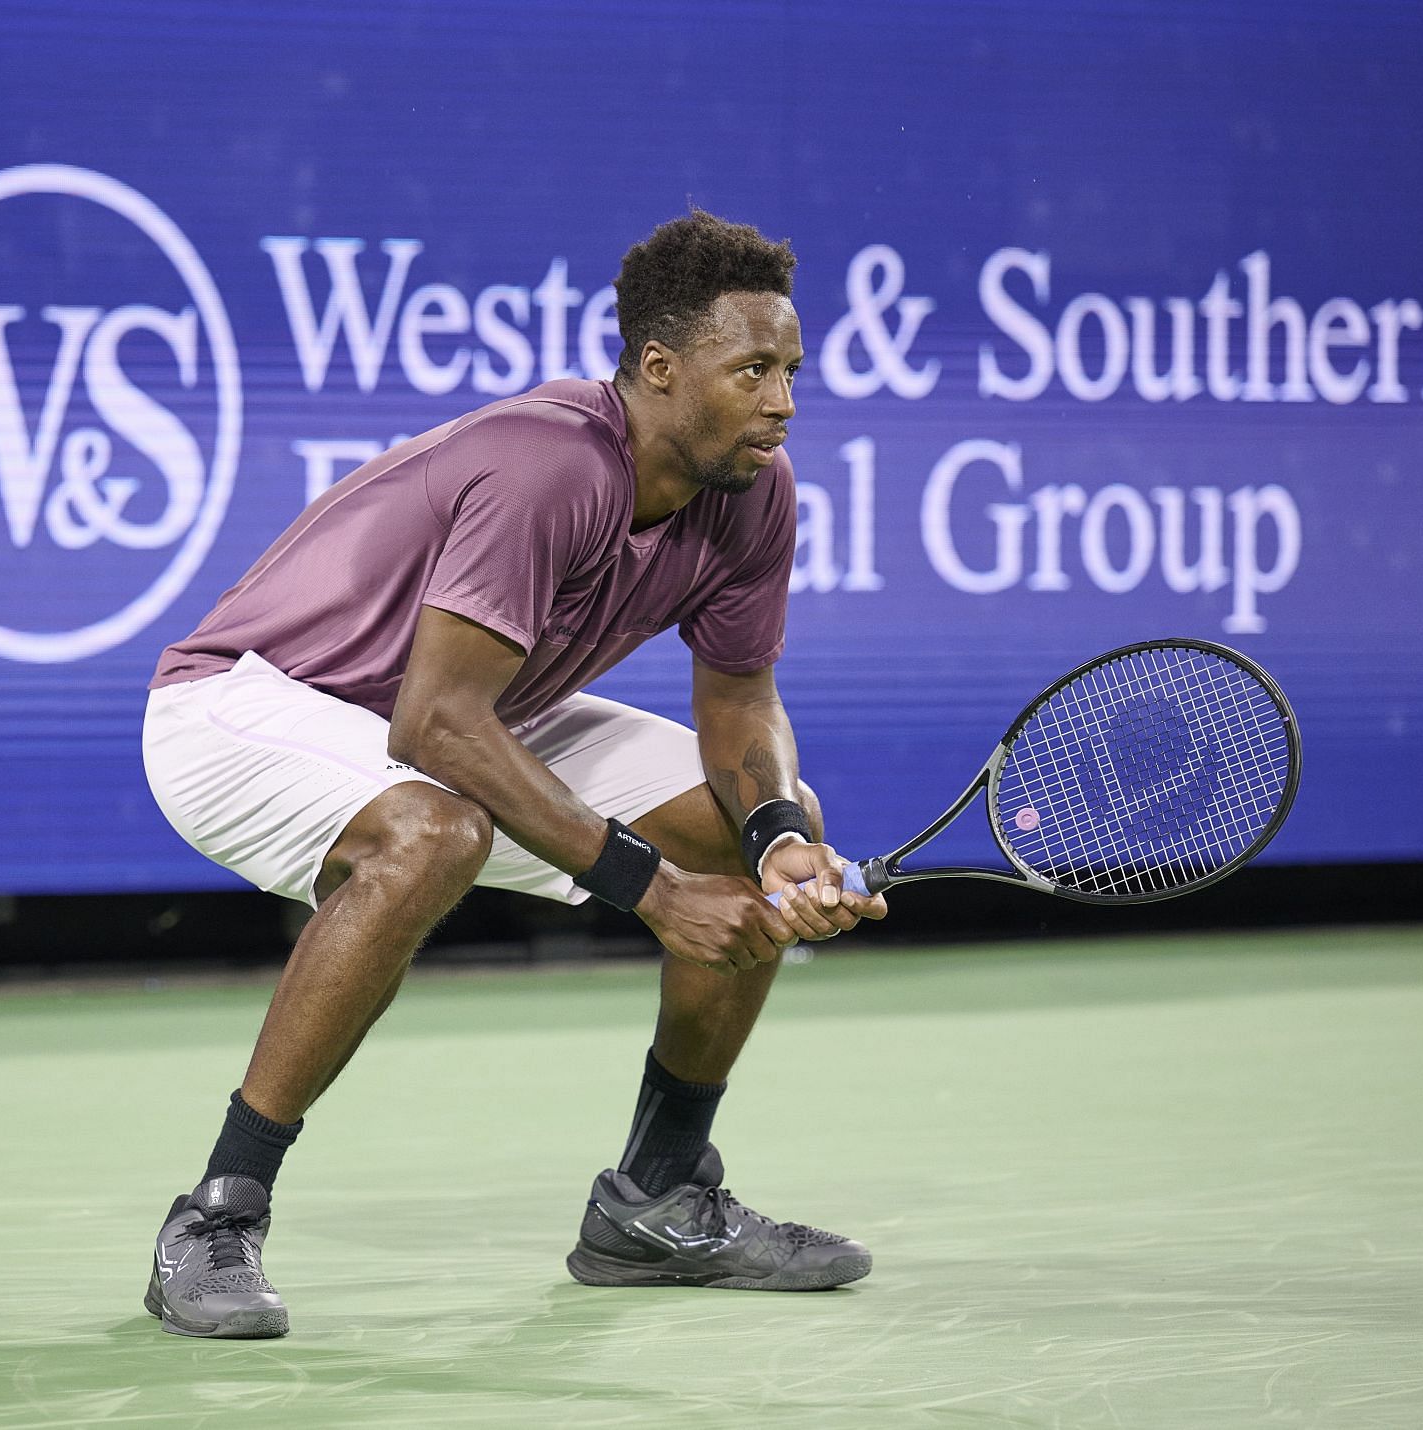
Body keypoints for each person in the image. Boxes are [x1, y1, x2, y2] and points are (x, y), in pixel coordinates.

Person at [137, 210, 888, 1339]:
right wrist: (654, 890)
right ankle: (216, 1213)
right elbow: (436, 724)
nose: (783, 401)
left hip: (470, 711)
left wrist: (780, 836)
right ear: (659, 368)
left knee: (745, 828)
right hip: (240, 707)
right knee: (433, 832)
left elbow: (737, 700)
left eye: (791, 369)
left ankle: (658, 1197)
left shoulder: (753, 490)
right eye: (754, 371)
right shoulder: (552, 467)